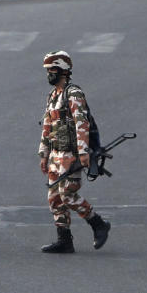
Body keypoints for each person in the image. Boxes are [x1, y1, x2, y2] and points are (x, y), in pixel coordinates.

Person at [38, 51, 111, 254]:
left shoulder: (73, 93)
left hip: (71, 154)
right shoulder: (53, 96)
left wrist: (83, 152)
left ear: (62, 70)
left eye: (51, 70)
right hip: (56, 154)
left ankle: (98, 224)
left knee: (68, 194)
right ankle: (64, 240)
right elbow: (47, 126)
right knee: (54, 198)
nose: (48, 75)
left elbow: (82, 123)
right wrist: (43, 153)